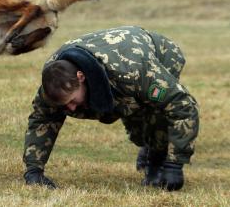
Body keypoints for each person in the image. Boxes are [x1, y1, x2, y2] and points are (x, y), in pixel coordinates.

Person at [22, 26, 199, 191]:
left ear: (81, 77)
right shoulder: (55, 81)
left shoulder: (134, 72)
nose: (70, 108)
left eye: (72, 100)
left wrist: (174, 164)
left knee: (152, 111)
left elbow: (182, 107)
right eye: (65, 105)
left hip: (159, 53)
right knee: (133, 121)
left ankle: (155, 158)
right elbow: (42, 122)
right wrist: (33, 171)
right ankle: (146, 144)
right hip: (113, 73)